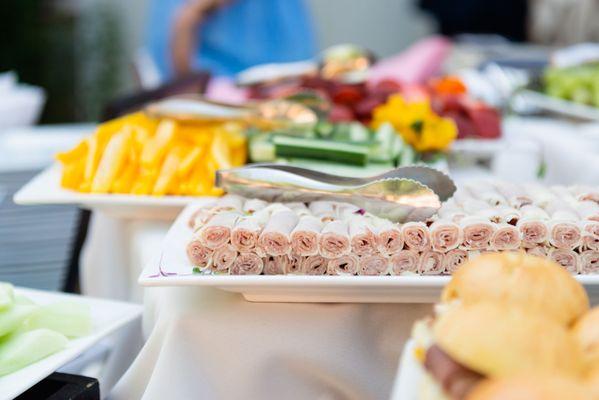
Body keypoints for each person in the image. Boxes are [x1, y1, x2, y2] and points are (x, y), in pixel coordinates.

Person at [146, 0, 317, 79]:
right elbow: (178, 77)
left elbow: (300, 66)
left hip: (280, 93)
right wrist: (201, 7)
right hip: (213, 95)